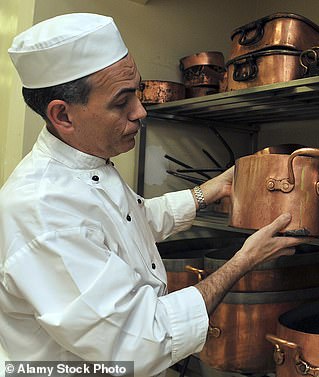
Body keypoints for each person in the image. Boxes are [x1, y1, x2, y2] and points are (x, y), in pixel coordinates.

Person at [0, 13, 302, 376]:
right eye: (121, 101)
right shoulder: (42, 211)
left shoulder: (87, 165)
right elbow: (143, 340)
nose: (141, 111)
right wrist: (242, 261)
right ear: (63, 115)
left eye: (138, 91)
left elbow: (130, 221)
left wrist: (208, 192)